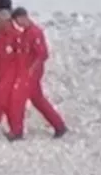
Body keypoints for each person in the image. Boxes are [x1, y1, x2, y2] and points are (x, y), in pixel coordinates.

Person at [5, 8, 68, 141]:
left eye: (18, 21)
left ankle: (17, 131)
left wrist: (32, 70)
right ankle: (59, 125)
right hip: (25, 72)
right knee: (38, 100)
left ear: (23, 18)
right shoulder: (25, 34)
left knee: (17, 100)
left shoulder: (35, 32)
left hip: (31, 74)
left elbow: (42, 54)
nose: (18, 25)